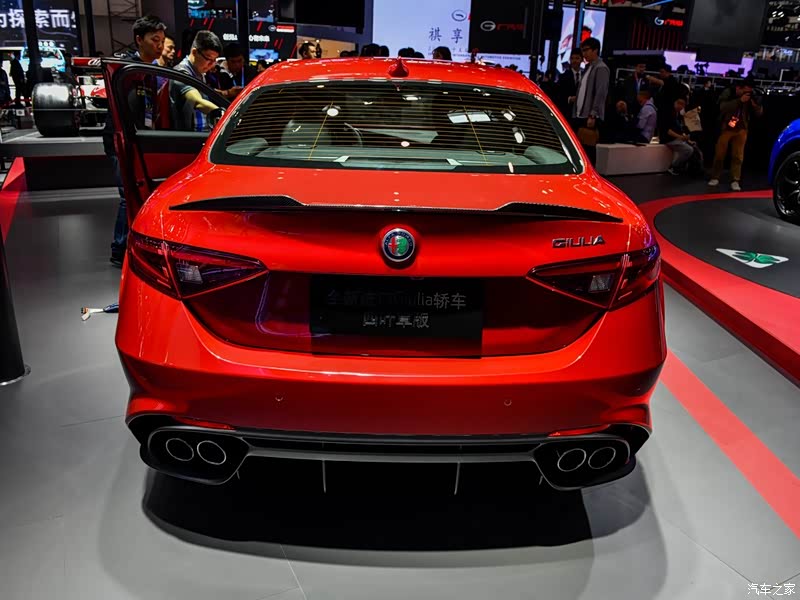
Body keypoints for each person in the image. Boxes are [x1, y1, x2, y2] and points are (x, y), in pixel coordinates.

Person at [104, 15, 166, 267]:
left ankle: (132, 245)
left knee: (137, 193)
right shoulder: (126, 71)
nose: (159, 46)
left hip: (140, 138)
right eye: (155, 40)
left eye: (162, 41)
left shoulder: (149, 71)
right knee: (126, 194)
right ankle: (119, 249)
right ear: (139, 40)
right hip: (122, 139)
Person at [709, 78, 763, 190]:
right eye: (745, 91)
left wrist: (756, 105)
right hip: (726, 128)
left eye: (749, 91)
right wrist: (739, 101)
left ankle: (735, 180)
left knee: (738, 156)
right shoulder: (728, 93)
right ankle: (715, 177)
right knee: (720, 155)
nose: (747, 94)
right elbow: (722, 107)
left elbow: (759, 113)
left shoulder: (752, 96)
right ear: (738, 88)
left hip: (742, 129)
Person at [170, 30, 224, 132]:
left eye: (214, 60)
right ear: (194, 52)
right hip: (188, 137)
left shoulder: (200, 73)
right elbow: (198, 102)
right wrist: (225, 115)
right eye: (208, 58)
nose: (212, 64)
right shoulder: (181, 73)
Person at [571, 37, 609, 161]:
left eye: (586, 50)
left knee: (588, 150)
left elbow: (600, 93)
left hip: (589, 116)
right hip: (581, 114)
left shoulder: (601, 68)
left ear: (595, 50)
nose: (584, 54)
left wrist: (593, 114)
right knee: (580, 150)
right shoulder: (588, 67)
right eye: (583, 50)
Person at [659, 97, 697, 174]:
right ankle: (674, 166)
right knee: (688, 150)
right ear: (675, 103)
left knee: (694, 147)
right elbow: (667, 131)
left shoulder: (677, 115)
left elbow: (679, 130)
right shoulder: (669, 114)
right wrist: (681, 137)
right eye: (679, 103)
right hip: (668, 139)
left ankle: (685, 167)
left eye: (683, 105)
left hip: (675, 138)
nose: (681, 106)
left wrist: (687, 139)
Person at [556, 49, 582, 119]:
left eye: (577, 58)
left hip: (581, 114)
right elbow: (558, 96)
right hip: (567, 113)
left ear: (581, 60)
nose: (574, 61)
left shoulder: (585, 76)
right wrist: (569, 99)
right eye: (572, 58)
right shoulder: (563, 77)